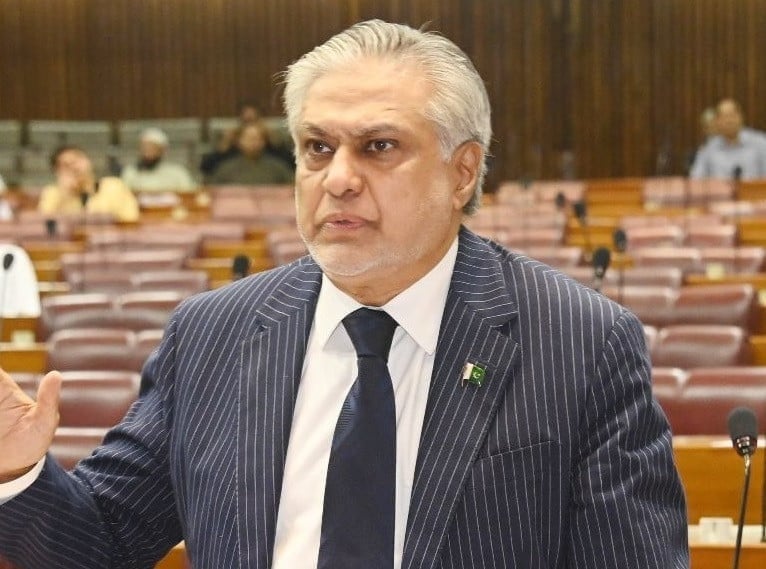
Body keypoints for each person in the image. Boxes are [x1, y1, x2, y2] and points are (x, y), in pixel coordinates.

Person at [0, 19, 687, 568]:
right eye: (318, 148)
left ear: (462, 173)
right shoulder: (212, 334)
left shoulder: (579, 342)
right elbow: (104, 541)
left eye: (379, 146)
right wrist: (18, 468)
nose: (338, 178)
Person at [37, 145, 140, 222]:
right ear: (57, 172)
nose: (74, 167)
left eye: (77, 160)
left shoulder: (114, 186)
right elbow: (43, 226)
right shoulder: (53, 193)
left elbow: (131, 218)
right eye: (66, 165)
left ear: (88, 160)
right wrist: (65, 195)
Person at [690, 98, 766, 179]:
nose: (729, 121)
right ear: (717, 121)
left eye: (732, 115)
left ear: (741, 117)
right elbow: (696, 178)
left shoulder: (760, 143)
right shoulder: (709, 148)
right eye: (724, 117)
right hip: (719, 187)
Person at [208, 120, 294, 185]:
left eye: (257, 138)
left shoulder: (278, 168)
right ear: (239, 142)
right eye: (249, 139)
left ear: (264, 142)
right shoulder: (225, 169)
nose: (253, 143)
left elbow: (292, 189)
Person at [120, 127, 197, 192]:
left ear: (162, 150)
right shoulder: (130, 172)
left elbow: (191, 194)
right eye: (144, 148)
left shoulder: (178, 173)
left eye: (152, 148)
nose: (147, 153)